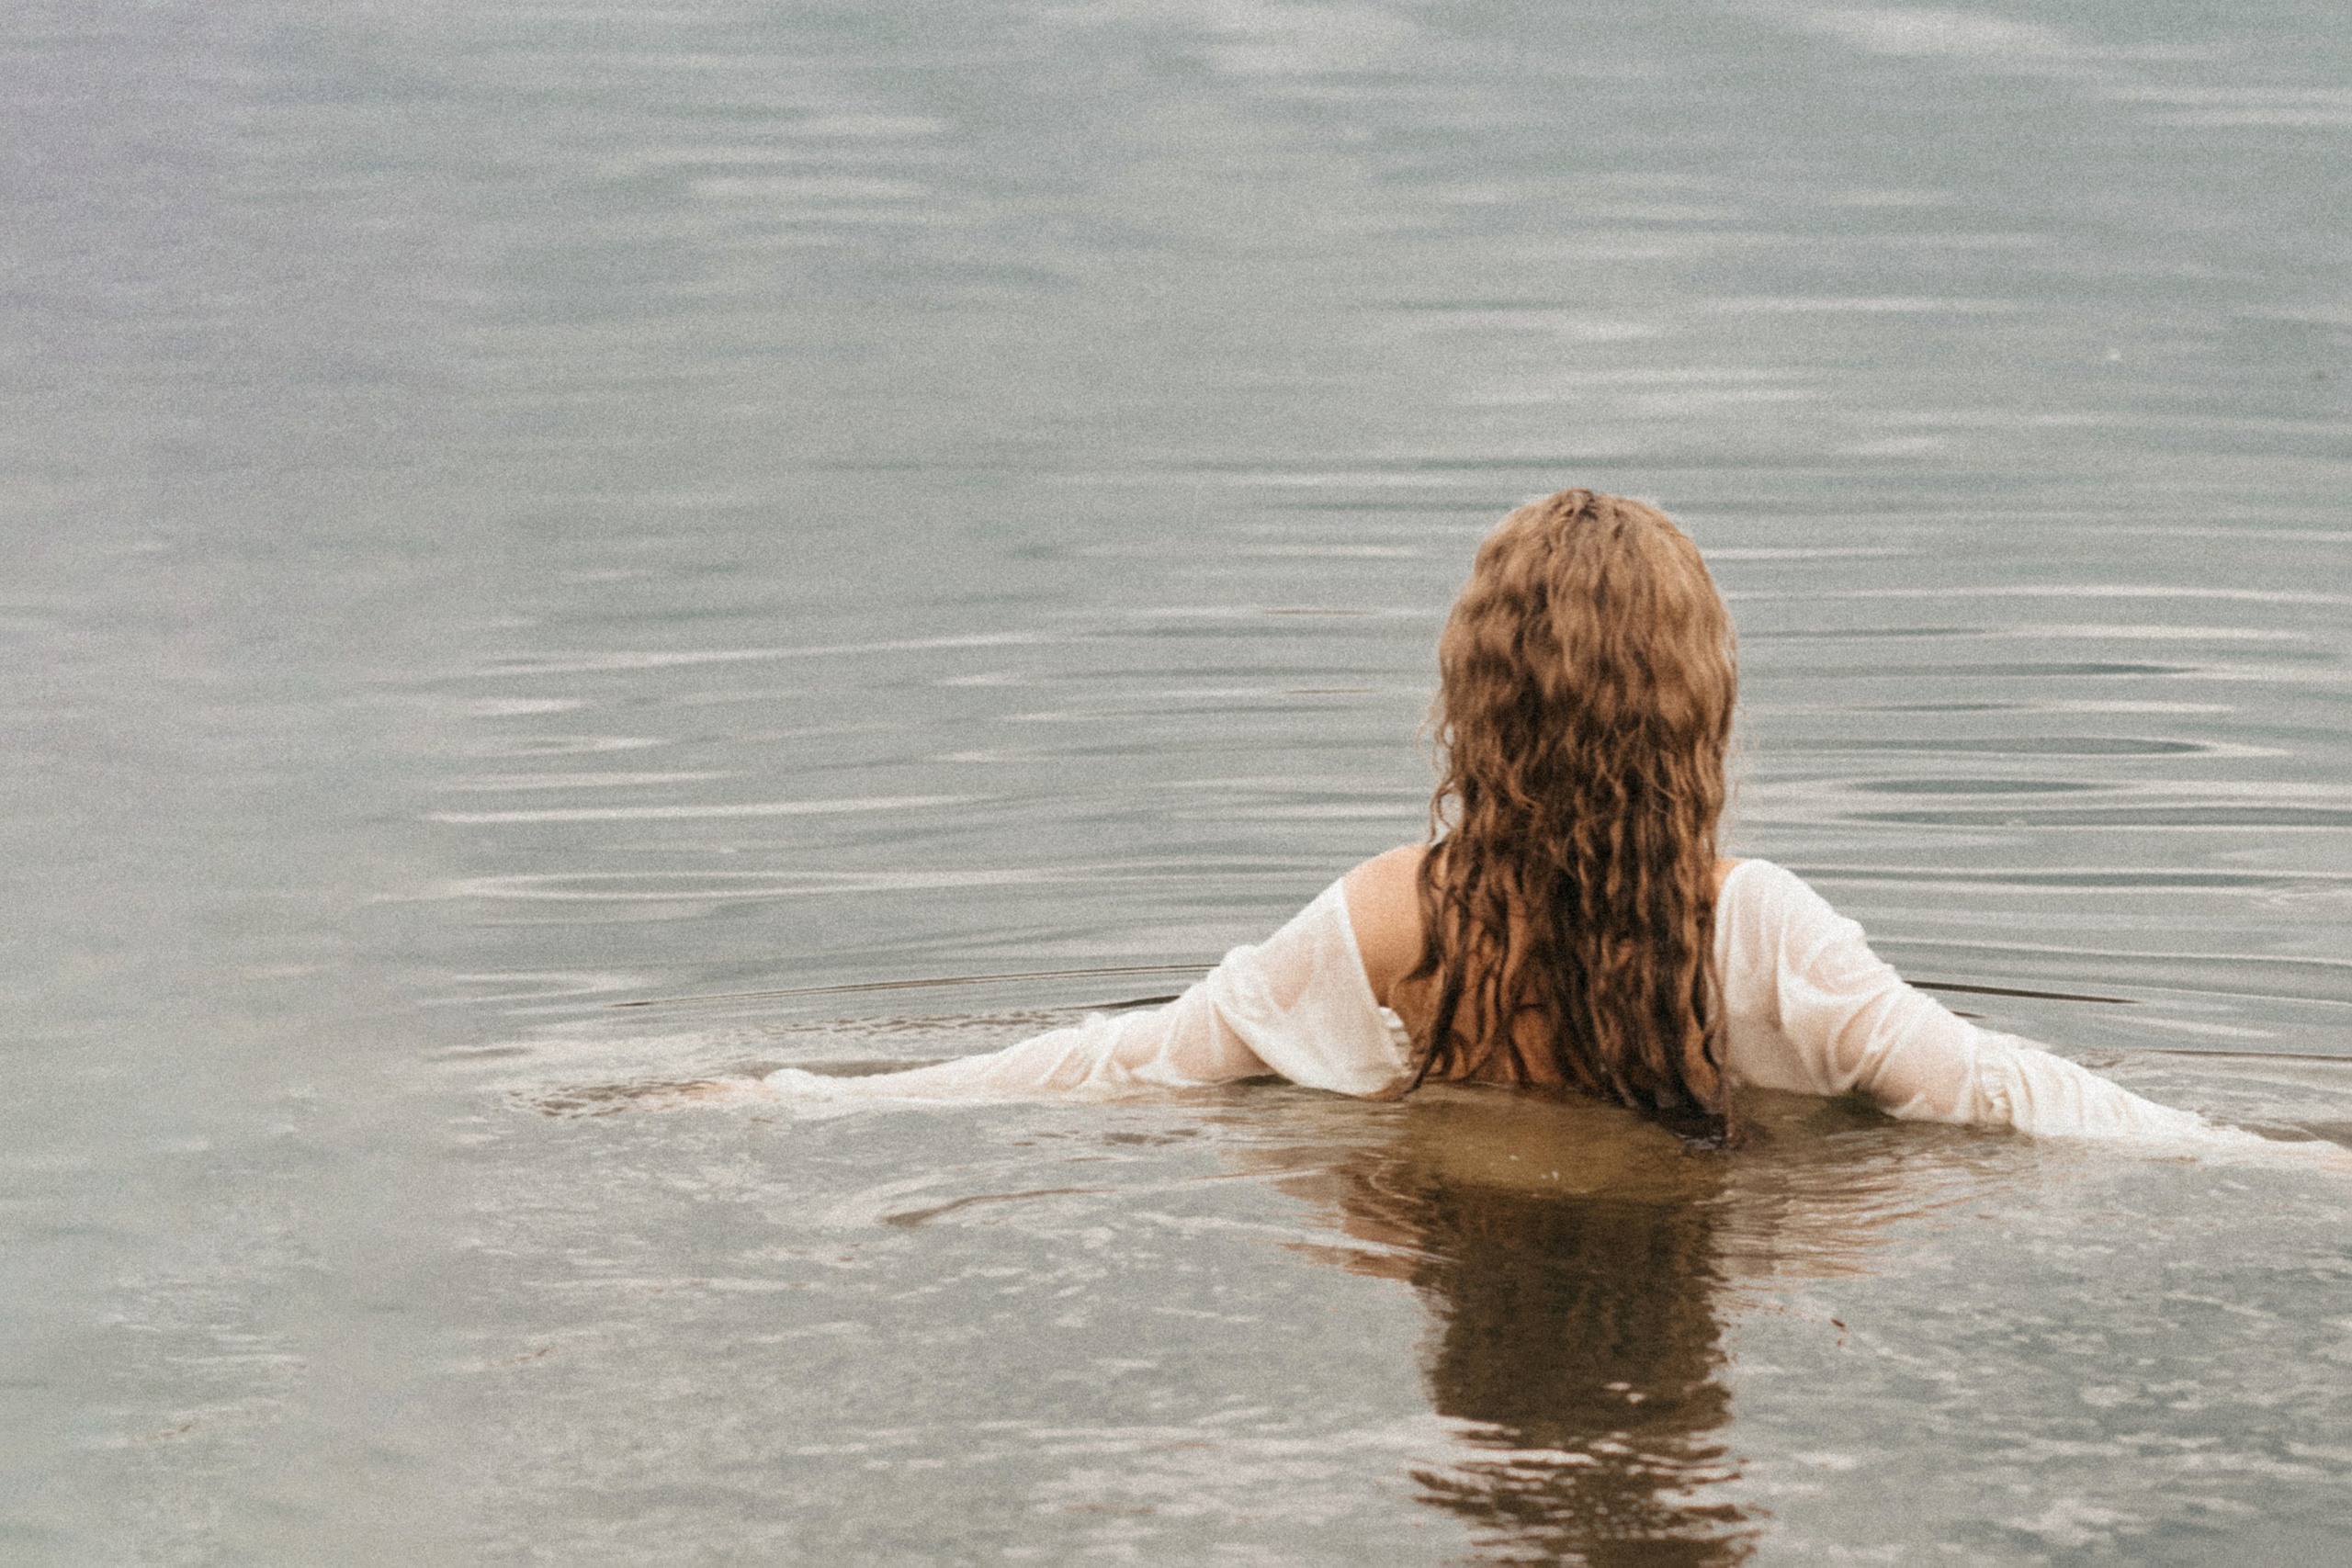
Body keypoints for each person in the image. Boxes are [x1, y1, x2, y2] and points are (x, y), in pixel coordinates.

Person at [759, 490, 2324, 1161]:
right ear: (1695, 705)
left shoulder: (1391, 923)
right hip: (1712, 1248)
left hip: (1445, 1255)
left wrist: (799, 1099)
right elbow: (2003, 1094)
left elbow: (1115, 1064)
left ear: (1475, 706)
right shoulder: (1755, 928)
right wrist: (2285, 1156)